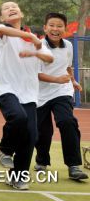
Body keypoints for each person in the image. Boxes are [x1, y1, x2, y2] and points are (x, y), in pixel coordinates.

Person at [0, 1, 53, 190]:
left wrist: (34, 52)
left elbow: (49, 58)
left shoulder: (36, 40)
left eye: (15, 7)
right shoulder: (1, 31)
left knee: (31, 134)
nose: (11, 9)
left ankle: (18, 176)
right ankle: (5, 149)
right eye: (6, 8)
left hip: (29, 93)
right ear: (2, 17)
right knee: (18, 117)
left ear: (22, 13)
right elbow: (6, 31)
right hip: (6, 88)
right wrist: (31, 37)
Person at [34, 12, 87, 181]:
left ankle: (74, 166)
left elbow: (67, 67)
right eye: (52, 25)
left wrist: (73, 81)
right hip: (40, 94)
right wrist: (56, 79)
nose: (55, 29)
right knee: (43, 131)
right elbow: (35, 74)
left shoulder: (68, 46)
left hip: (62, 92)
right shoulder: (37, 47)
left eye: (59, 26)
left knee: (67, 122)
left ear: (64, 29)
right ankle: (42, 160)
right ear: (45, 28)